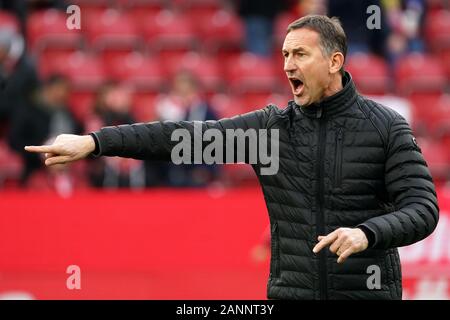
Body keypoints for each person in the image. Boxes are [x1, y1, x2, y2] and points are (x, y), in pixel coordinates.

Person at [24, 15, 439, 300]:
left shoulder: (385, 127)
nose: (287, 65)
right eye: (284, 55)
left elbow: (422, 209)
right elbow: (181, 138)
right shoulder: (268, 133)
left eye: (299, 55)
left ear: (334, 62)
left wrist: (367, 233)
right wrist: (96, 142)